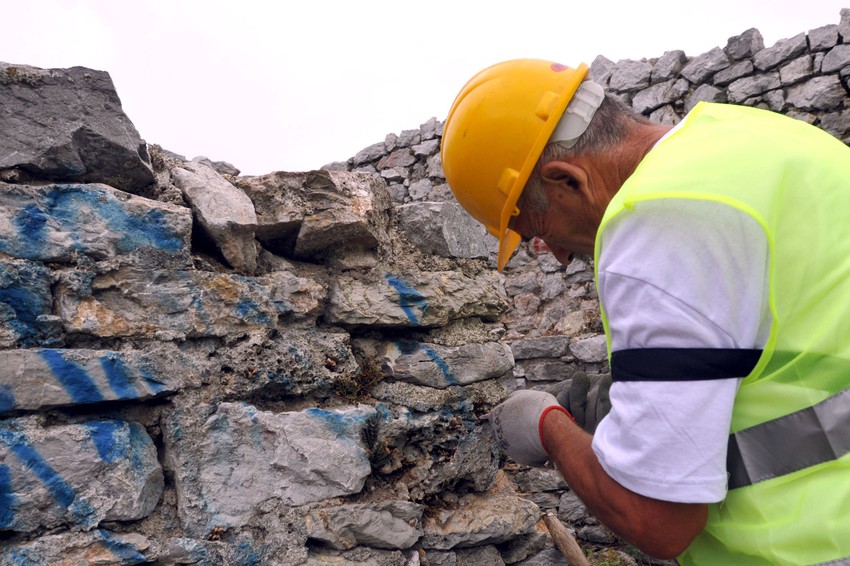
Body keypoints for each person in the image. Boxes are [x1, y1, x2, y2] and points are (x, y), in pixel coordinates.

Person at [439, 58, 850, 565]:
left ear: (565, 178)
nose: (560, 256)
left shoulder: (658, 221)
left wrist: (545, 425)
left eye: (536, 229)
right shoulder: (761, 139)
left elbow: (657, 520)